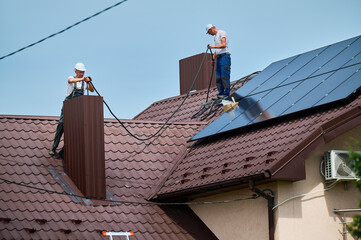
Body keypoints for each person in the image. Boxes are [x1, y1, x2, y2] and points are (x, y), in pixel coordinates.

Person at [49, 62, 94, 157]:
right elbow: (70, 81)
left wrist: (89, 82)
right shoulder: (71, 78)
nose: (82, 74)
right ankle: (53, 147)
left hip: (78, 109)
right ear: (76, 71)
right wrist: (83, 79)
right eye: (80, 72)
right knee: (61, 125)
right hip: (68, 106)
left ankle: (64, 151)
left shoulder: (84, 84)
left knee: (76, 130)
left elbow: (92, 90)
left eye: (83, 72)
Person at [206, 24, 231, 98]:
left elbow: (224, 45)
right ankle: (220, 93)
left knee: (224, 75)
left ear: (211, 29)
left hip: (224, 57)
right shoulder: (215, 37)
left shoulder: (221, 32)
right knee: (218, 77)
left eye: (209, 32)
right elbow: (218, 50)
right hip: (219, 57)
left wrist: (213, 47)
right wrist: (213, 58)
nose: (209, 34)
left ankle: (226, 93)